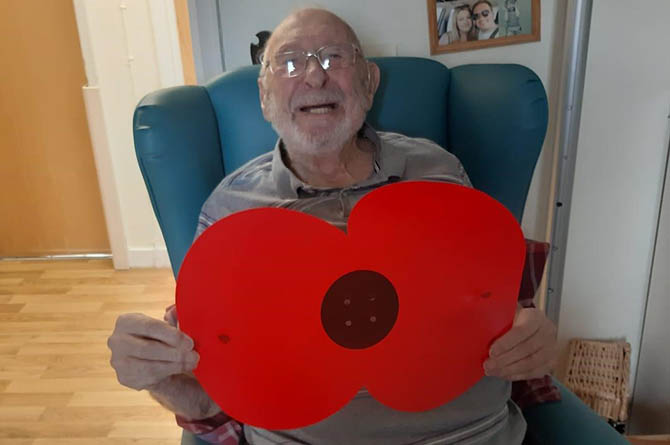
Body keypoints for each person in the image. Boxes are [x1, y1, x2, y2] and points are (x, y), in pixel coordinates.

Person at [108, 8, 558, 445]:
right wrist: (155, 377)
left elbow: (495, 308)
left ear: (369, 82)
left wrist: (534, 339)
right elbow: (210, 402)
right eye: (288, 62)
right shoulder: (230, 212)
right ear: (264, 96)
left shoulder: (439, 170)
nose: (314, 76)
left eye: (334, 57)